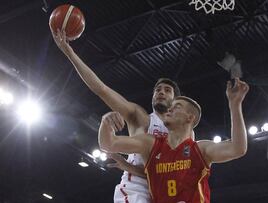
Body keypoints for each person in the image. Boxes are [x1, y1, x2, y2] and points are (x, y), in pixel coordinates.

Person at [51, 29, 180, 202]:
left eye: (167, 90)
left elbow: (167, 173)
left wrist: (127, 165)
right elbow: (101, 89)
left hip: (165, 193)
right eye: (157, 90)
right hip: (138, 191)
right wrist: (70, 54)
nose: (161, 93)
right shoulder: (141, 117)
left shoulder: (182, 133)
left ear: (176, 99)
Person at [99, 78, 249, 203]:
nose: (170, 109)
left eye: (176, 106)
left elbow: (238, 148)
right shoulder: (152, 145)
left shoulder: (199, 149)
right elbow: (108, 144)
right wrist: (106, 122)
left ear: (189, 118)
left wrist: (235, 105)